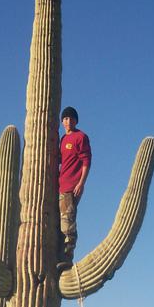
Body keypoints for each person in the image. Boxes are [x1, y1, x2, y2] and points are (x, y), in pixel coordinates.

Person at [58, 106, 91, 269]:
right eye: (65, 119)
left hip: (71, 186)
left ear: (76, 120)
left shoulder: (81, 137)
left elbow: (86, 161)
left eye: (71, 118)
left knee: (67, 221)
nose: (68, 121)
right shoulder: (63, 139)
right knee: (58, 222)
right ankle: (58, 254)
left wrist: (81, 183)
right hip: (59, 186)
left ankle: (67, 256)